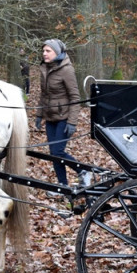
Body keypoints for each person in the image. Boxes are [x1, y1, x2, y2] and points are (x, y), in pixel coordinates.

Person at [35, 38, 90, 189]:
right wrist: (39, 115)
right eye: (43, 51)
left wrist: (72, 122)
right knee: (54, 154)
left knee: (58, 151)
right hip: (50, 116)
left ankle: (82, 170)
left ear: (57, 52)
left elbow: (75, 97)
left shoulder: (66, 70)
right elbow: (43, 94)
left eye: (48, 51)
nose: (44, 54)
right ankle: (62, 186)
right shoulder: (44, 68)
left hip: (64, 117)